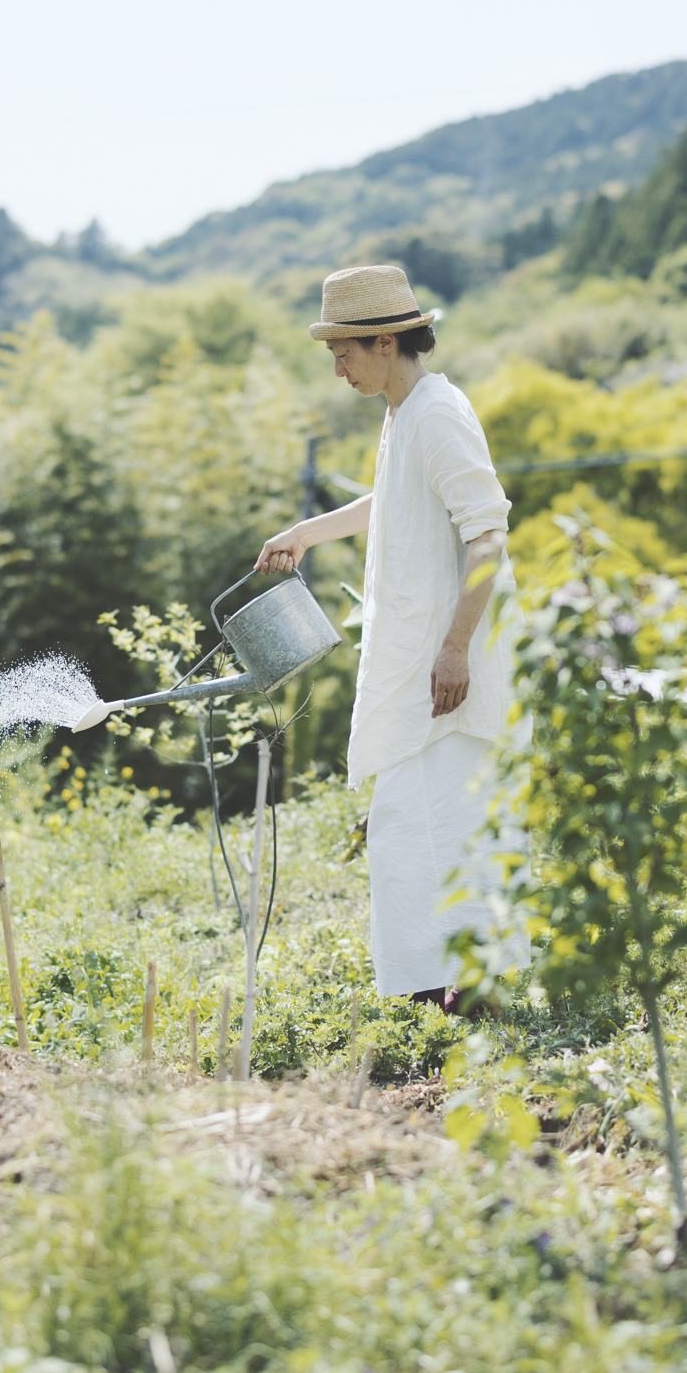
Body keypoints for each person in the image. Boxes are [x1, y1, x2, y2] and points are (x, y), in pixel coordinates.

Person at [255, 263, 518, 1014]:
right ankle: (440, 994)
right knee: (408, 825)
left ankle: (478, 995)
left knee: (454, 825)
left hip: (452, 663)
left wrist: (456, 646)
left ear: (383, 340)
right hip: (422, 660)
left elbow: (487, 532)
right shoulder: (403, 412)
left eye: (343, 351)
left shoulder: (438, 412)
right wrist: (308, 531)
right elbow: (396, 493)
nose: (337, 366)